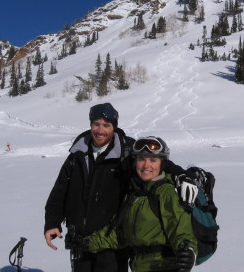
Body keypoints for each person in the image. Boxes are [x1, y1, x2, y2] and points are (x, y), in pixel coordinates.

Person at [44, 103, 197, 272]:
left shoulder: (126, 151)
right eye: (96, 124)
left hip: (114, 245)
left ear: (114, 127)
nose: (100, 130)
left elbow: (153, 162)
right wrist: (52, 222)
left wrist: (181, 174)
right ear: (90, 125)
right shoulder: (76, 155)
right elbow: (59, 192)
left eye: (106, 125)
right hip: (82, 241)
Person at [84, 136, 197, 272]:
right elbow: (119, 234)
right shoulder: (134, 194)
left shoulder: (166, 192)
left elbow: (181, 229)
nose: (146, 165)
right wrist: (88, 242)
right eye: (141, 159)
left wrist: (188, 251)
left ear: (162, 164)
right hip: (140, 267)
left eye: (153, 160)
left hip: (164, 266)